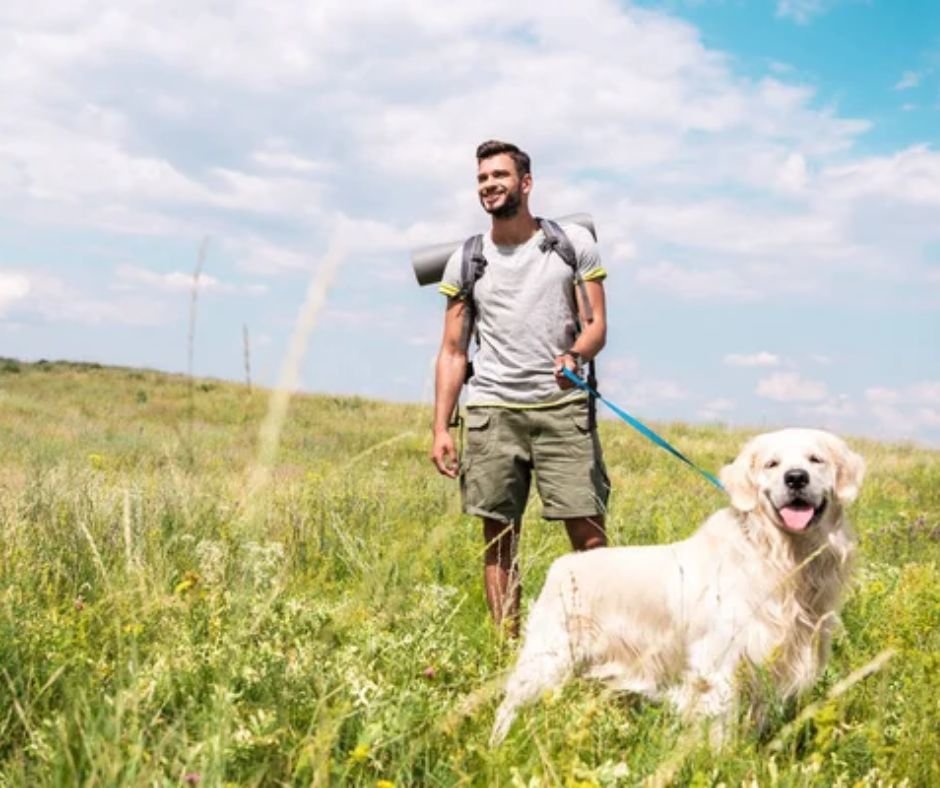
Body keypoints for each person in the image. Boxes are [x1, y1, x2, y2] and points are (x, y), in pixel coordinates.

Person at [430, 140, 611, 636]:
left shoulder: (571, 244)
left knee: (589, 536)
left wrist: (575, 355)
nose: (490, 185)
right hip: (492, 410)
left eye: (499, 176)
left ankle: (602, 647)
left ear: (525, 183)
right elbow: (452, 351)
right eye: (483, 178)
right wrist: (441, 428)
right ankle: (506, 655)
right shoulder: (466, 260)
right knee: (499, 538)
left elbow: (596, 326)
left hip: (563, 409)